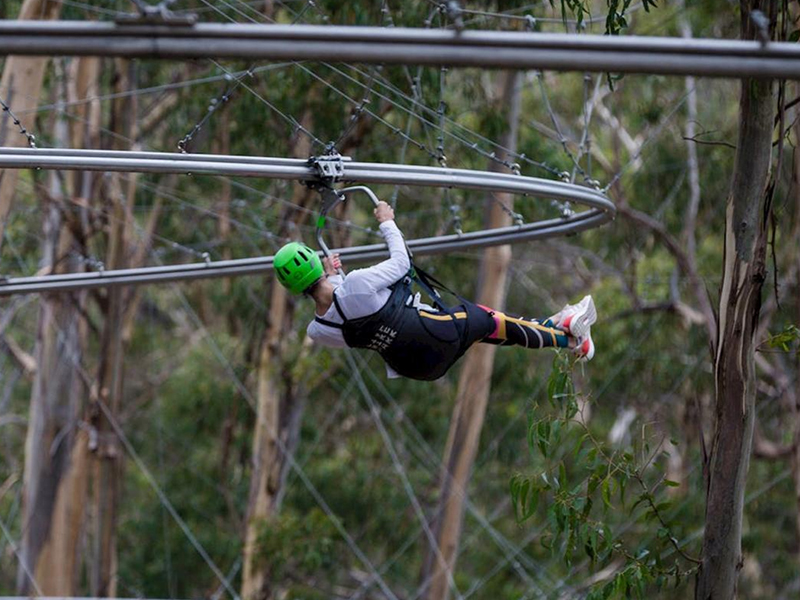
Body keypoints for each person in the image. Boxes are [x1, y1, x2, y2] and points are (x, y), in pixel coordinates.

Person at [274, 200, 596, 381]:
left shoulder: (318, 331)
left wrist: (333, 276)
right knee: (489, 319)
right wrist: (387, 222)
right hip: (432, 333)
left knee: (484, 329)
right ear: (316, 265)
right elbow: (401, 262)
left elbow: (348, 313)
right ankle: (565, 333)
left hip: (416, 365)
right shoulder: (355, 284)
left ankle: (564, 330)